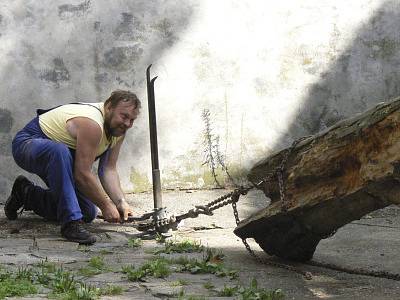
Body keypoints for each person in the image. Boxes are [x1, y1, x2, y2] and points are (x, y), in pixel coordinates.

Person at [4, 90, 141, 244]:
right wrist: (105, 205)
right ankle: (70, 224)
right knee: (59, 151)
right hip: (28, 143)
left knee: (87, 212)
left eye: (132, 120)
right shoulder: (92, 124)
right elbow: (81, 174)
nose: (127, 124)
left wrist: (120, 202)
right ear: (109, 107)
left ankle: (26, 193)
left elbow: (108, 170)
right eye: (124, 116)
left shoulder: (118, 131)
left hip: (60, 157)